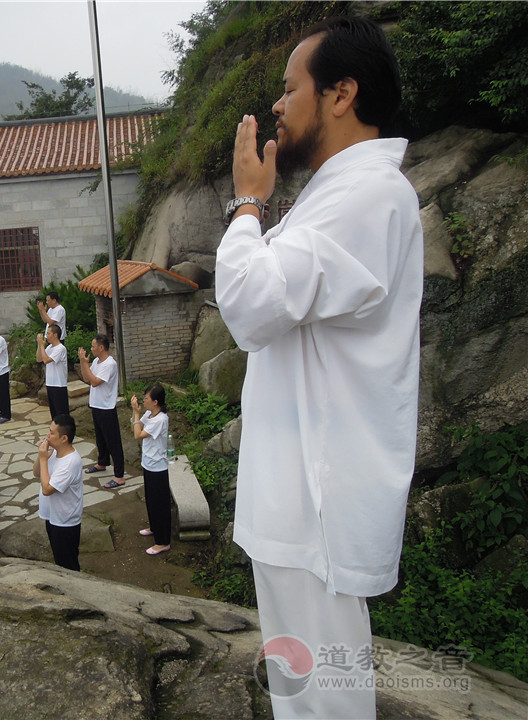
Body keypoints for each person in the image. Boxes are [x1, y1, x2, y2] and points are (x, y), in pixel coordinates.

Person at [214, 16, 422, 719]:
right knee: (304, 694)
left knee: (323, 703)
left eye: (289, 87)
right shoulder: (338, 194)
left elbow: (248, 304)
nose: (278, 104)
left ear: (341, 94)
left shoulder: (367, 196)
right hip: (298, 498)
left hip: (316, 504)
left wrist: (247, 201)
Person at [33, 413, 83, 572]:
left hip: (65, 521)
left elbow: (47, 489)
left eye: (52, 433)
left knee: (68, 564)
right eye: (49, 430)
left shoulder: (70, 462)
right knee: (59, 559)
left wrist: (43, 459)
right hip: (53, 516)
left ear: (64, 438)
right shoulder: (55, 451)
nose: (48, 435)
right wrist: (41, 456)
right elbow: (36, 473)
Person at [78, 334, 125, 488]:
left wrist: (85, 363)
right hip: (96, 405)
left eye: (93, 346)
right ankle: (102, 462)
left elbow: (96, 382)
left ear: (101, 347)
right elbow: (87, 379)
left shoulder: (109, 364)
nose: (91, 349)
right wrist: (83, 363)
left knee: (113, 442)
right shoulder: (97, 362)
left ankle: (119, 476)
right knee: (100, 439)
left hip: (106, 407)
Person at [131, 385, 170, 556]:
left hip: (158, 468)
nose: (143, 400)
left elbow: (137, 435)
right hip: (148, 464)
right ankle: (154, 528)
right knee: (151, 500)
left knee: (160, 504)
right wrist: (137, 413)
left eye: (146, 398)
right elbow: (137, 425)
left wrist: (136, 413)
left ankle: (163, 542)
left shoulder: (160, 419)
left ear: (155, 402)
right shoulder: (150, 414)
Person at [37, 323, 69, 418]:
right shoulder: (49, 347)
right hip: (50, 384)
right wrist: (40, 345)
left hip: (59, 385)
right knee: (54, 412)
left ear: (55, 335)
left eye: (48, 333)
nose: (46, 336)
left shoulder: (60, 348)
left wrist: (42, 346)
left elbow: (46, 360)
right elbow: (39, 359)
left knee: (61, 413)